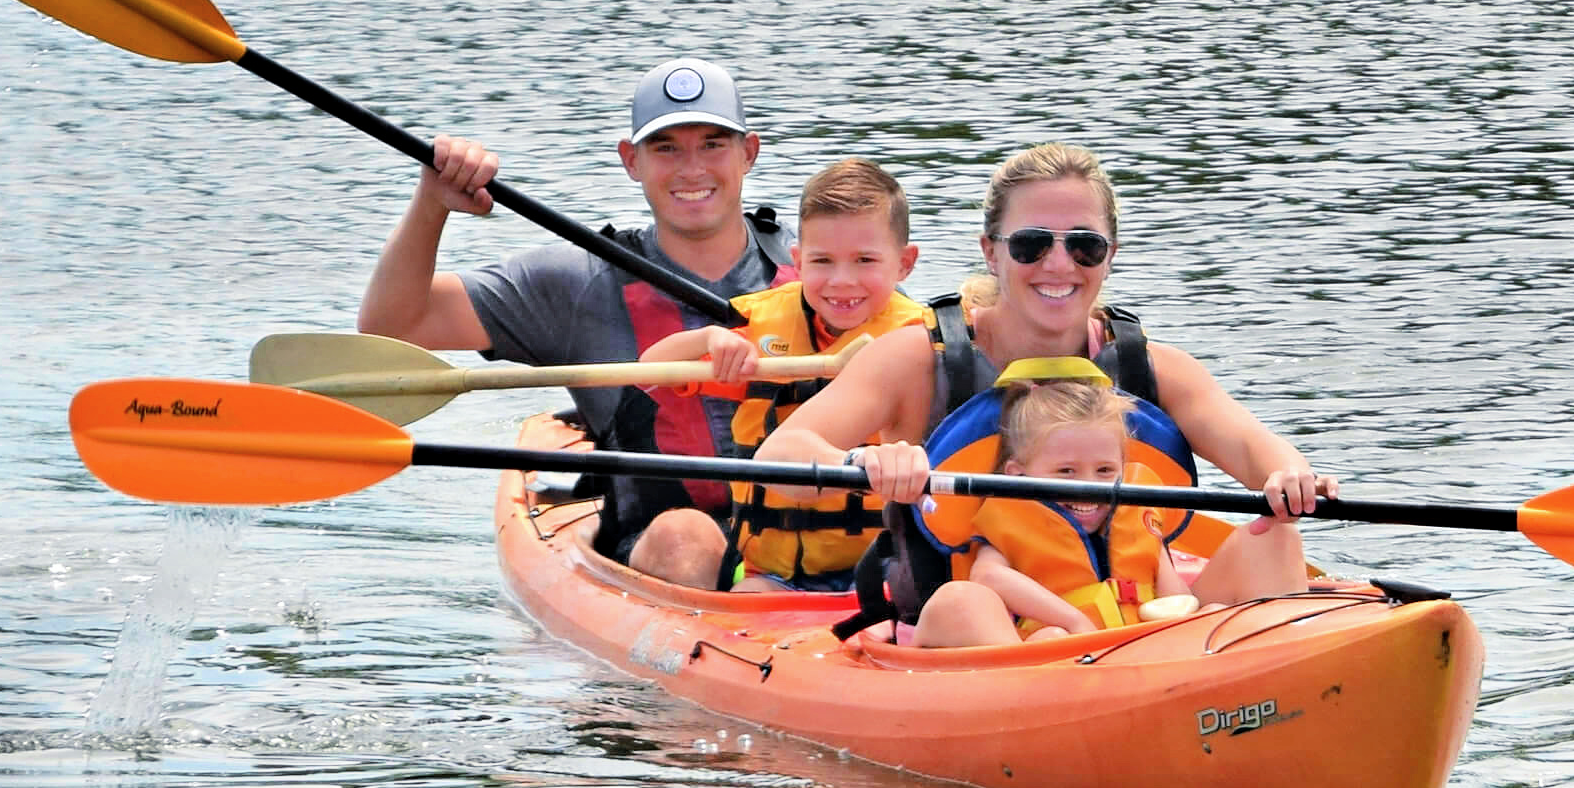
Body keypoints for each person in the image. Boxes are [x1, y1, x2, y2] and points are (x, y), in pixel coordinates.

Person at [753, 141, 1339, 648]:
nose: (1058, 264)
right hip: (974, 632)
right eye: (1031, 244)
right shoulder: (915, 359)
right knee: (965, 602)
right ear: (991, 250)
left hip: (1129, 627)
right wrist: (863, 460)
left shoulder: (1151, 367)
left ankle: (1249, 695)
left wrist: (1290, 478)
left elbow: (1256, 447)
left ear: (1110, 254)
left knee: (1275, 539)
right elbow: (779, 456)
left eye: (1084, 245)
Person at [357, 57, 792, 589]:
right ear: (631, 160)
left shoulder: (829, 274)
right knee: (687, 536)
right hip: (658, 551)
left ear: (748, 153)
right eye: (666, 148)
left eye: (712, 144)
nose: (692, 169)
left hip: (811, 542)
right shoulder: (578, 283)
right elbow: (393, 326)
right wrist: (433, 203)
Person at [639, 158, 926, 592]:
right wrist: (707, 340)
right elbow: (649, 374)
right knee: (718, 569)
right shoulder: (759, 326)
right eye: (822, 261)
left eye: (865, 260)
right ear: (798, 260)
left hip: (885, 572)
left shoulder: (922, 341)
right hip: (769, 576)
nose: (841, 282)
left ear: (904, 264)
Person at [958, 378, 1200, 641]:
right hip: (1060, 649)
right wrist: (1075, 621)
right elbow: (987, 576)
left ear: (1123, 468)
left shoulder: (1139, 517)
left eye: (1105, 470)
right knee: (1048, 635)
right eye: (1066, 471)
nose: (1088, 487)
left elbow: (1177, 600)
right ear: (1019, 475)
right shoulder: (1010, 523)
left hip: (1137, 647)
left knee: (1214, 612)